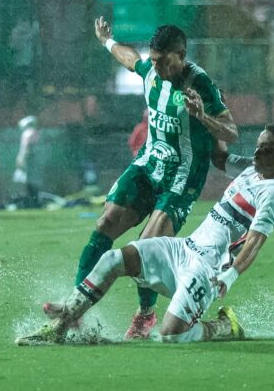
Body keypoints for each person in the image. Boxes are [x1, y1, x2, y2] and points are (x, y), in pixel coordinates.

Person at [16, 124, 274, 345]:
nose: (258, 153)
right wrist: (205, 115)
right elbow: (220, 157)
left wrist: (230, 275)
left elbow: (255, 242)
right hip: (184, 248)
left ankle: (225, 326)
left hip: (207, 270)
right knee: (114, 258)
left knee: (172, 335)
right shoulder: (251, 169)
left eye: (268, 150)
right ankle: (61, 326)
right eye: (258, 146)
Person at [61, 17, 238, 340]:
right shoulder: (151, 73)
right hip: (148, 165)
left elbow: (231, 132)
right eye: (154, 60)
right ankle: (74, 309)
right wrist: (107, 41)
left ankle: (145, 315)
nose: (156, 67)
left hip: (181, 180)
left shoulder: (201, 85)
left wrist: (202, 116)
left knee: (144, 250)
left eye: (163, 61)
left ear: (181, 55)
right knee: (104, 224)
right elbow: (131, 60)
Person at [13, 115, 43, 209]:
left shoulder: (28, 133)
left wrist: (22, 159)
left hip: (29, 161)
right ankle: (33, 202)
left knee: (28, 182)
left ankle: (30, 202)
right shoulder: (34, 132)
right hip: (32, 161)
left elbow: (27, 148)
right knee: (31, 182)